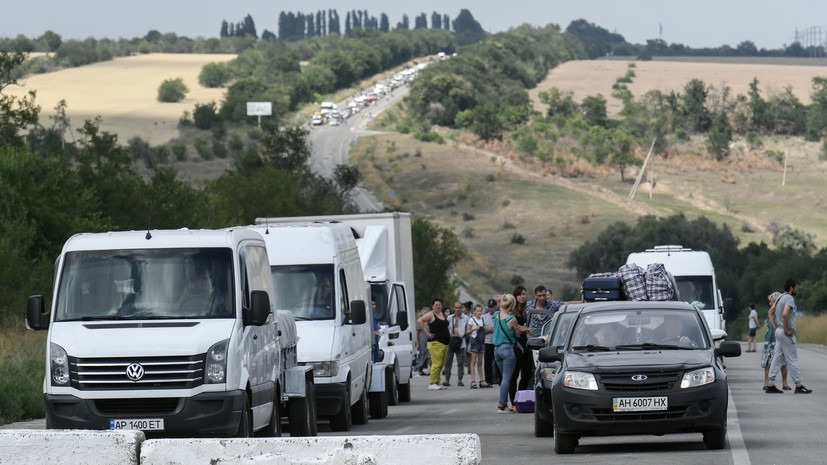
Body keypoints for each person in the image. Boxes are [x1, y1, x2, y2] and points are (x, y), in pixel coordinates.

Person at [766, 279, 812, 394]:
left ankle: (770, 383)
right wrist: (786, 329)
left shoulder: (780, 297)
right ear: (791, 288)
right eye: (795, 287)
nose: (796, 289)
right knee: (792, 359)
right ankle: (798, 385)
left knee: (777, 357)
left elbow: (770, 312)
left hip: (779, 332)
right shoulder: (789, 299)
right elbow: (785, 313)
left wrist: (776, 327)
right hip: (786, 333)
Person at [493, 293, 521, 413]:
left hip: (497, 350)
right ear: (512, 305)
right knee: (507, 378)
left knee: (504, 377)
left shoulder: (496, 315)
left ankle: (505, 402)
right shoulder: (512, 319)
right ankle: (502, 402)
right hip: (508, 350)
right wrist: (519, 330)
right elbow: (517, 334)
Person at [417, 298, 450, 391]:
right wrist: (426, 332)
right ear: (433, 306)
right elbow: (420, 320)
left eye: (439, 305)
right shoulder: (431, 314)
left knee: (442, 363)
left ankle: (437, 382)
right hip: (435, 343)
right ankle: (432, 383)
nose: (438, 306)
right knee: (436, 363)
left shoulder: (442, 314)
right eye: (436, 305)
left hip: (444, 343)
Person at [510, 285, 534, 407]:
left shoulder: (526, 310)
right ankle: (513, 401)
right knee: (514, 374)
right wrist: (523, 329)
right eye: (519, 294)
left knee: (528, 373)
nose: (522, 296)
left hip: (525, 344)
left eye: (524, 294)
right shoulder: (511, 311)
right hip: (515, 344)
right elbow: (511, 328)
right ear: (515, 296)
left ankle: (521, 397)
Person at [762, 292, 789, 391]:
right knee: (768, 361)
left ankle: (785, 383)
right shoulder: (770, 313)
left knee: (783, 361)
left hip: (779, 339)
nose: (770, 304)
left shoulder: (781, 314)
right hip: (770, 340)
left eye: (771, 301)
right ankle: (766, 382)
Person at [442, 301, 470, 387]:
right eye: (456, 308)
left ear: (462, 308)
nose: (457, 309)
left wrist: (465, 334)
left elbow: (468, 329)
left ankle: (460, 380)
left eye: (459, 308)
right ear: (454, 308)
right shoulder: (450, 318)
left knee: (460, 362)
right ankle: (447, 379)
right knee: (448, 362)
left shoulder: (466, 318)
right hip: (451, 341)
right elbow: (446, 329)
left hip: (461, 342)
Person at [467, 304, 486, 388]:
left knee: (480, 362)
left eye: (480, 311)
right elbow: (467, 332)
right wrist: (473, 329)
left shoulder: (482, 320)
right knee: (473, 361)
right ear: (474, 311)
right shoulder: (471, 320)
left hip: (482, 341)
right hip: (475, 341)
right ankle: (472, 381)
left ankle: (482, 380)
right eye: (477, 311)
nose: (479, 312)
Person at [482, 298, 497, 388]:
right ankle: (488, 380)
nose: (492, 309)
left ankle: (498, 378)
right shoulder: (484, 317)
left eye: (493, 307)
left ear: (496, 307)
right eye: (490, 307)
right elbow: (482, 330)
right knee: (487, 362)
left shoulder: (499, 316)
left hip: (496, 342)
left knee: (497, 362)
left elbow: (497, 329)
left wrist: (490, 329)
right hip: (487, 342)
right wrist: (489, 329)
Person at [414, 306, 432, 376]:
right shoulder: (420, 321)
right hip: (422, 339)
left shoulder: (430, 321)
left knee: (430, 354)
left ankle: (429, 368)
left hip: (430, 339)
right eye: (426, 313)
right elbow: (417, 332)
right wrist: (417, 342)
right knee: (423, 354)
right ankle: (420, 368)